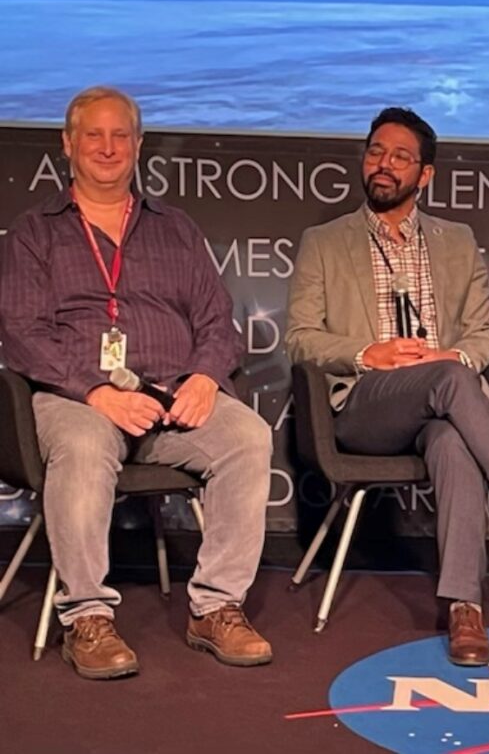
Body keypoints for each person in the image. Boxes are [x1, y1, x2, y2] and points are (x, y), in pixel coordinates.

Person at [285, 107, 489, 666]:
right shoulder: (325, 240)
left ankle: (465, 609)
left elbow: (484, 334)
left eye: (400, 157)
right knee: (454, 381)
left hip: (443, 402)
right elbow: (300, 339)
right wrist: (369, 353)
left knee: (454, 438)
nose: (384, 165)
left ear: (425, 174)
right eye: (376, 152)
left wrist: (447, 357)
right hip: (366, 404)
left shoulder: (456, 241)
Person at [0, 86, 273, 679]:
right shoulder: (34, 233)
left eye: (120, 135)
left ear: (138, 145)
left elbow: (215, 321)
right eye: (93, 135)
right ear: (68, 145)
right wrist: (96, 393)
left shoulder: (174, 228)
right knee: (82, 443)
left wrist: (205, 377)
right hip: (79, 398)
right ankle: (87, 618)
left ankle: (217, 607)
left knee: (248, 436)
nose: (107, 147)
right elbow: (21, 333)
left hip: (171, 395)